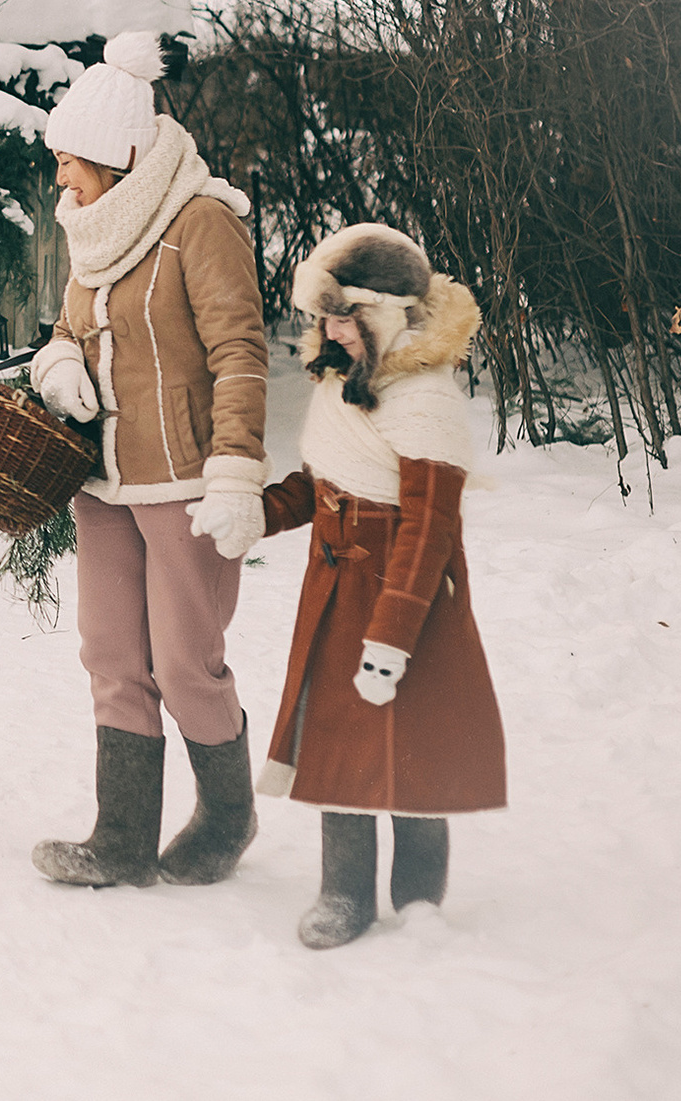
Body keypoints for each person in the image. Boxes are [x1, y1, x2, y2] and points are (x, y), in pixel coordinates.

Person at [26, 30, 271, 889]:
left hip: (188, 485)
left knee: (184, 662)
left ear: (116, 156)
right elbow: (67, 329)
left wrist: (237, 468)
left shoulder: (201, 222)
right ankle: (122, 837)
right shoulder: (91, 234)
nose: (62, 179)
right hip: (105, 483)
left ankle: (226, 817)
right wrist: (57, 365)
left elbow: (241, 349)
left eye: (71, 162)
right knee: (110, 654)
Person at [253, 223, 505, 950]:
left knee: (412, 742)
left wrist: (394, 632)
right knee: (338, 743)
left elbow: (430, 527)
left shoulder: (425, 400)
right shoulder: (342, 387)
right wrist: (255, 515)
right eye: (324, 316)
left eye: (345, 316)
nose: (331, 330)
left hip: (407, 596)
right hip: (335, 591)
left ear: (386, 314)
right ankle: (344, 891)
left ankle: (420, 893)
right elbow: (319, 485)